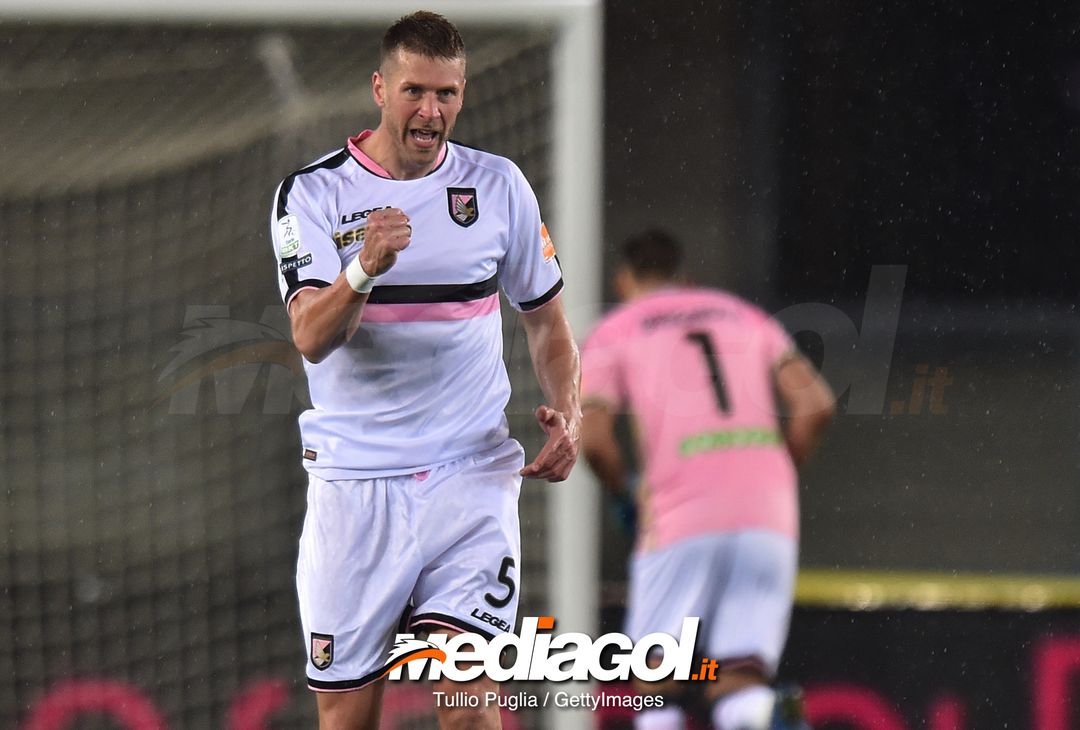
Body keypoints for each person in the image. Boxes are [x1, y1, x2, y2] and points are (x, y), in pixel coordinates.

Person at [268, 11, 581, 729]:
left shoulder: (499, 187)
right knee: (347, 719)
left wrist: (570, 407)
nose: (430, 111)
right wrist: (363, 269)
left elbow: (549, 324)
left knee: (470, 707)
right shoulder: (312, 195)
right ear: (380, 88)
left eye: (446, 94)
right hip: (357, 485)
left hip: (468, 477)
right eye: (414, 91)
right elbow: (313, 336)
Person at [580, 229, 834, 730]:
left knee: (656, 682)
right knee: (741, 677)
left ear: (625, 280)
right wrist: (774, 477)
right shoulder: (742, 314)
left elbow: (592, 439)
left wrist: (624, 496)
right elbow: (816, 404)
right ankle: (767, 716)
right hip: (767, 514)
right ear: (687, 279)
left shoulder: (617, 328)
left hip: (680, 512)